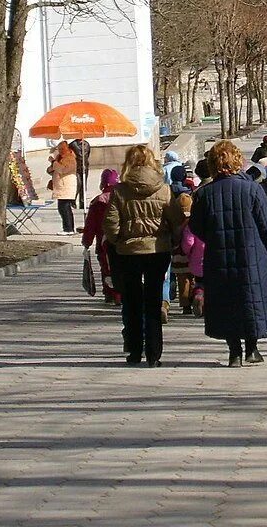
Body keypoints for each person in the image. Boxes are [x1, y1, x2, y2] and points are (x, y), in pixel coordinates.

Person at [189, 141, 267, 367]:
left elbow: (195, 227)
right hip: (252, 256)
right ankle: (252, 348)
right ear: (237, 161)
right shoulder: (253, 189)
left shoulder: (205, 194)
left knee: (226, 302)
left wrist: (215, 236)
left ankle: (234, 352)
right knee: (250, 299)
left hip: (219, 256)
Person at [104, 145, 182, 367]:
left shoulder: (119, 191)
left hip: (128, 251)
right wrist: (170, 241)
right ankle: (154, 353)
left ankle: (134, 350)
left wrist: (119, 240)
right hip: (157, 250)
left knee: (131, 301)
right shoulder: (163, 189)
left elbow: (110, 223)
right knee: (154, 298)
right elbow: (176, 220)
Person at [82, 167, 121, 305]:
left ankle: (110, 293)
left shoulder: (98, 201)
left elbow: (91, 224)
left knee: (107, 268)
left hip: (104, 242)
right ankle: (122, 292)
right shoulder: (125, 197)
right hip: (123, 240)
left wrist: (87, 241)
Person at [47, 141, 78, 234]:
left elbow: (63, 169)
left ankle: (68, 229)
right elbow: (50, 170)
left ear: (67, 148)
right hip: (60, 186)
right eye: (59, 149)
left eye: (62, 149)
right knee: (62, 207)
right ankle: (67, 228)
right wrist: (52, 165)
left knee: (64, 207)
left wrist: (54, 162)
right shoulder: (59, 157)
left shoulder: (70, 158)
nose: (60, 151)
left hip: (66, 186)